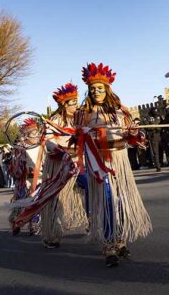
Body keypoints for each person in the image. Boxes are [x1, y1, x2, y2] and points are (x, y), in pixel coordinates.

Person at [75, 63, 152, 267]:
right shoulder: (83, 113)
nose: (96, 92)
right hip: (97, 161)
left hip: (118, 159)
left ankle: (119, 239)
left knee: (120, 201)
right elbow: (76, 139)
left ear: (107, 89)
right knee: (106, 201)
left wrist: (134, 133)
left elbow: (134, 138)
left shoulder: (120, 111)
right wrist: (83, 133)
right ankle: (109, 243)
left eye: (100, 88)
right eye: (92, 89)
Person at [39, 83, 88, 249]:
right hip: (59, 165)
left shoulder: (81, 119)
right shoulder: (54, 121)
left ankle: (92, 221)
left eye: (76, 101)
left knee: (90, 189)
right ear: (63, 104)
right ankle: (52, 234)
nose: (75, 105)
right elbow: (49, 143)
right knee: (55, 198)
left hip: (79, 163)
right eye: (72, 102)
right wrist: (62, 153)